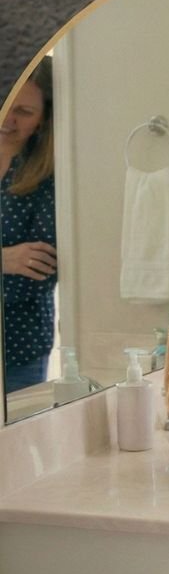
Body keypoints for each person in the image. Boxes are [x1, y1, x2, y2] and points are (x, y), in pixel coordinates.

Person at [1, 58, 58, 394]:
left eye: (23, 111)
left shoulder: (49, 178)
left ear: (41, 120)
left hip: (20, 346)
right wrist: (5, 259)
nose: (8, 118)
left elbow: (38, 272)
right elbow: (16, 266)